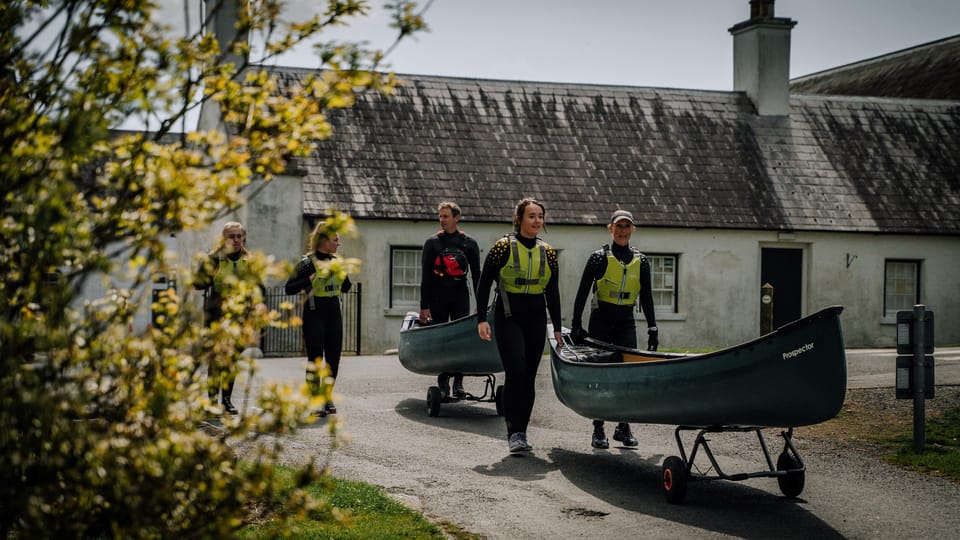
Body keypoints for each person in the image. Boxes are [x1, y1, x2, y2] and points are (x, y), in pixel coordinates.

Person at [476, 197, 562, 453]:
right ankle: (513, 432)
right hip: (508, 315)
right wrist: (481, 319)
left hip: (536, 316)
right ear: (519, 219)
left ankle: (522, 432)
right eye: (531, 216)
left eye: (540, 217)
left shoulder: (548, 252)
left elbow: (553, 293)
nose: (537, 221)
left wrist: (557, 327)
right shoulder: (502, 247)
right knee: (516, 372)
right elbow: (484, 284)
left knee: (529, 377)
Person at [570, 209, 658, 449]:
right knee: (601, 372)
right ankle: (598, 428)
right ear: (610, 229)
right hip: (601, 319)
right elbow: (581, 293)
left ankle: (623, 425)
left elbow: (647, 296)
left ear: (633, 230)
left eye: (627, 226)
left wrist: (652, 327)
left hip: (626, 321)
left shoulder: (642, 261)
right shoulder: (598, 257)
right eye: (618, 226)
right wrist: (576, 324)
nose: (622, 231)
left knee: (628, 372)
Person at [284, 225, 352, 417]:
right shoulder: (307, 263)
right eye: (335, 240)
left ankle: (327, 396)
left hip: (333, 314)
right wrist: (309, 279)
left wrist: (343, 271)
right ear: (324, 241)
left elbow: (346, 287)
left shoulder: (337, 261)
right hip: (314, 313)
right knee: (315, 359)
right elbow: (289, 288)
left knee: (333, 360)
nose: (338, 244)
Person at [193, 221, 258, 415]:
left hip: (239, 315)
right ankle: (212, 401)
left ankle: (226, 401)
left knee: (231, 360)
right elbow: (197, 284)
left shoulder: (248, 259)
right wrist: (208, 276)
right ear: (224, 238)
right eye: (232, 236)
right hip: (216, 314)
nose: (236, 240)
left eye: (239, 236)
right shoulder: (214, 258)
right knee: (215, 360)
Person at [419, 201, 481, 399]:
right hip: (438, 296)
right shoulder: (432, 243)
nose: (442, 220)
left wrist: (480, 304)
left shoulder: (469, 243)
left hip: (460, 295)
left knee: (460, 339)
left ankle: (459, 382)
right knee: (443, 340)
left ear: (456, 218)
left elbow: (477, 276)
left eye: (446, 216)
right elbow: (426, 277)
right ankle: (443, 379)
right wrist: (424, 307)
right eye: (440, 216)